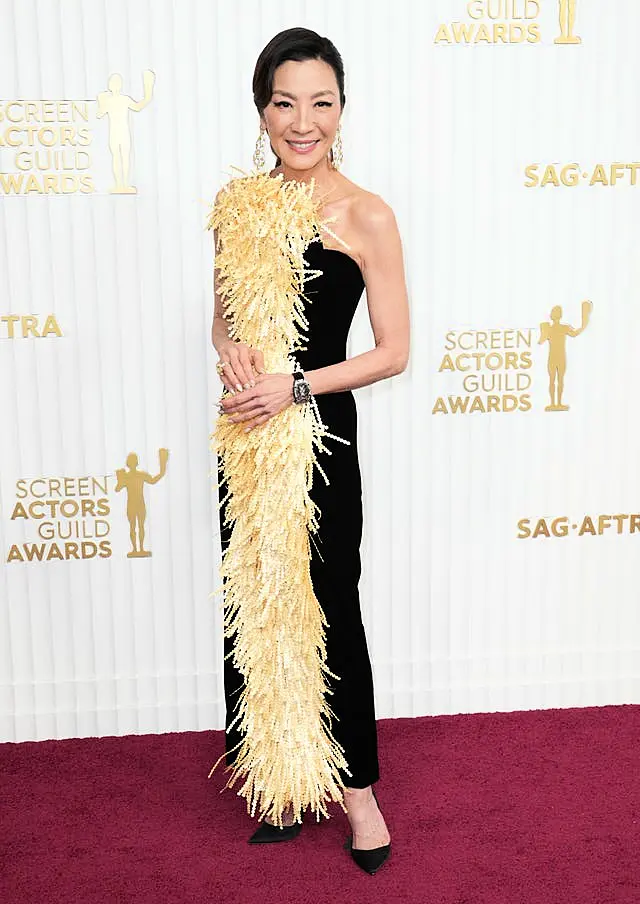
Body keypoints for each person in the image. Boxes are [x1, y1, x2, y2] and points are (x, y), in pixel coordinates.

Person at [211, 27, 410, 875]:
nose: (303, 121)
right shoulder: (235, 206)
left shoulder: (367, 213)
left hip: (318, 439)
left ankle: (359, 798)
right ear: (262, 111)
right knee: (256, 608)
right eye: (285, 103)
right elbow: (223, 316)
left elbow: (393, 351)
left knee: (329, 610)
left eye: (320, 103)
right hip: (246, 439)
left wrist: (294, 386)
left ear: (342, 108)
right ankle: (282, 781)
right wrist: (231, 354)